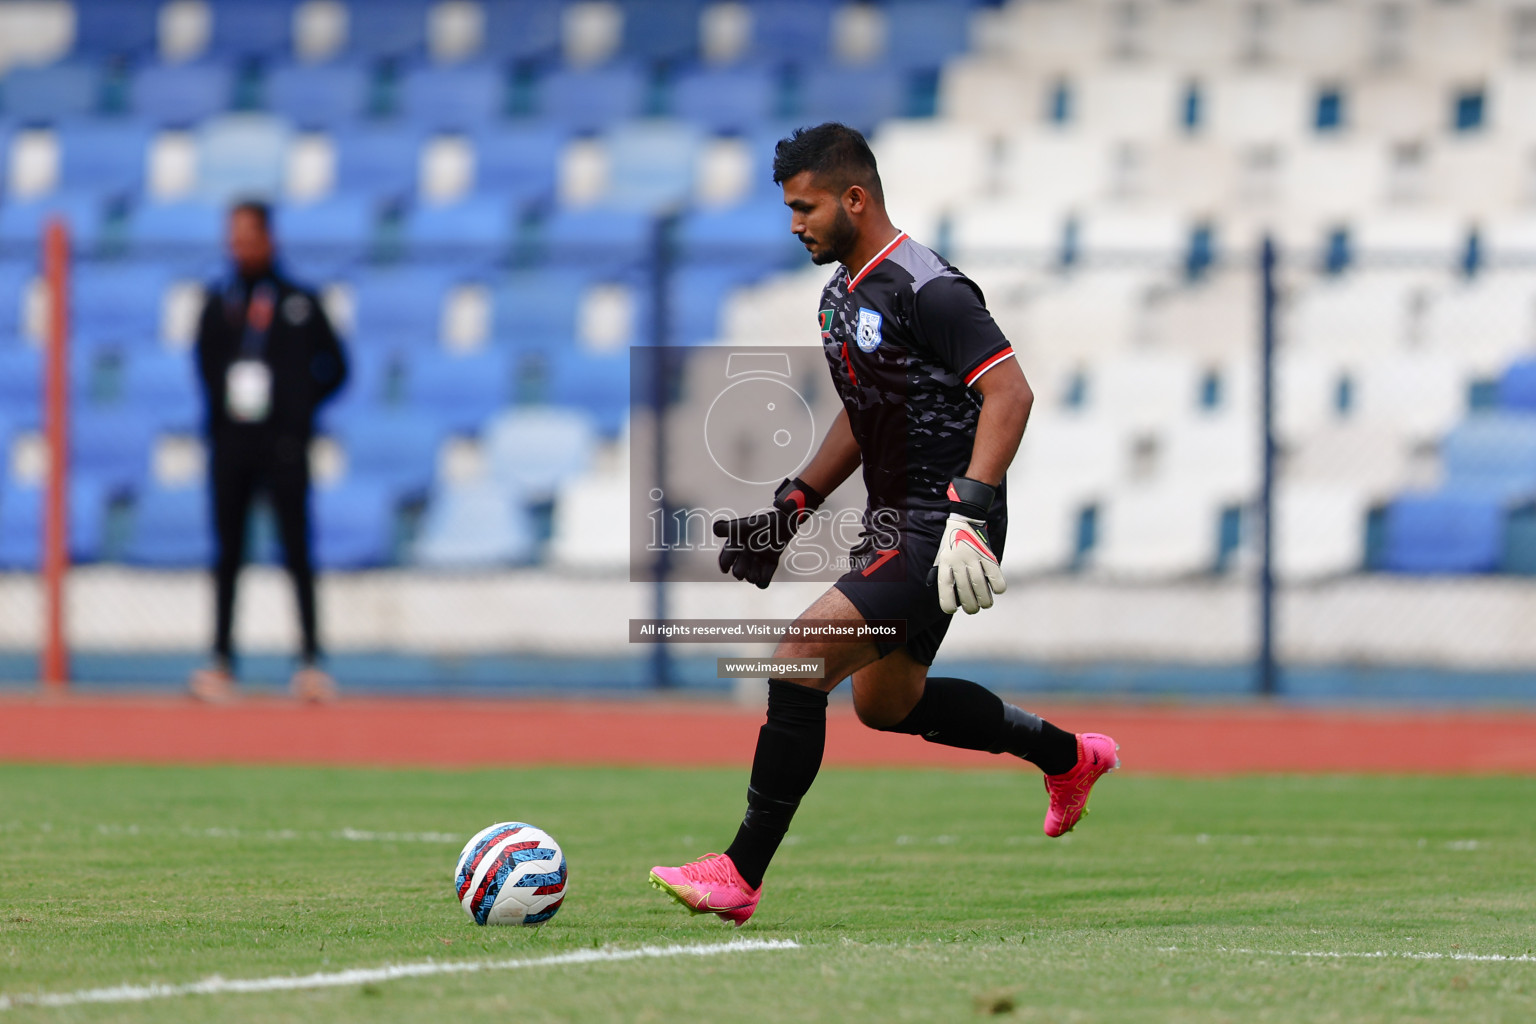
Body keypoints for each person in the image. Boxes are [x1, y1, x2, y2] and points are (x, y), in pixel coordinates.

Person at [649, 124, 1119, 925]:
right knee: (886, 705)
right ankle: (1070, 757)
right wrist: (791, 508)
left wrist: (969, 512)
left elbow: (1011, 394)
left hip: (945, 523)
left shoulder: (928, 288)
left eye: (805, 207)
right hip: (891, 521)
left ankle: (739, 872)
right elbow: (867, 414)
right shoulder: (840, 295)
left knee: (795, 659)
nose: (794, 224)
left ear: (854, 199)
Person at [188, 200, 348, 703]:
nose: (239, 245)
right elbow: (205, 367)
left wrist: (297, 412)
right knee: (228, 553)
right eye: (232, 236)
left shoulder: (299, 302)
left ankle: (309, 661)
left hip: (283, 444)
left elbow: (337, 367)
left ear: (269, 238)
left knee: (297, 551)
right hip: (233, 444)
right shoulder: (219, 304)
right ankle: (221, 659)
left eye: (247, 235)